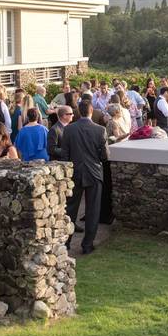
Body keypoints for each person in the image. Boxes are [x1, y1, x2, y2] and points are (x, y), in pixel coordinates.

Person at [59, 98, 109, 255]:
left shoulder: (69, 129)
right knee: (92, 210)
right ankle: (87, 245)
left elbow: (65, 155)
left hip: (75, 173)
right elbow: (105, 156)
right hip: (94, 173)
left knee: (71, 209)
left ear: (78, 112)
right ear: (91, 111)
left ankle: (66, 243)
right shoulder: (100, 130)